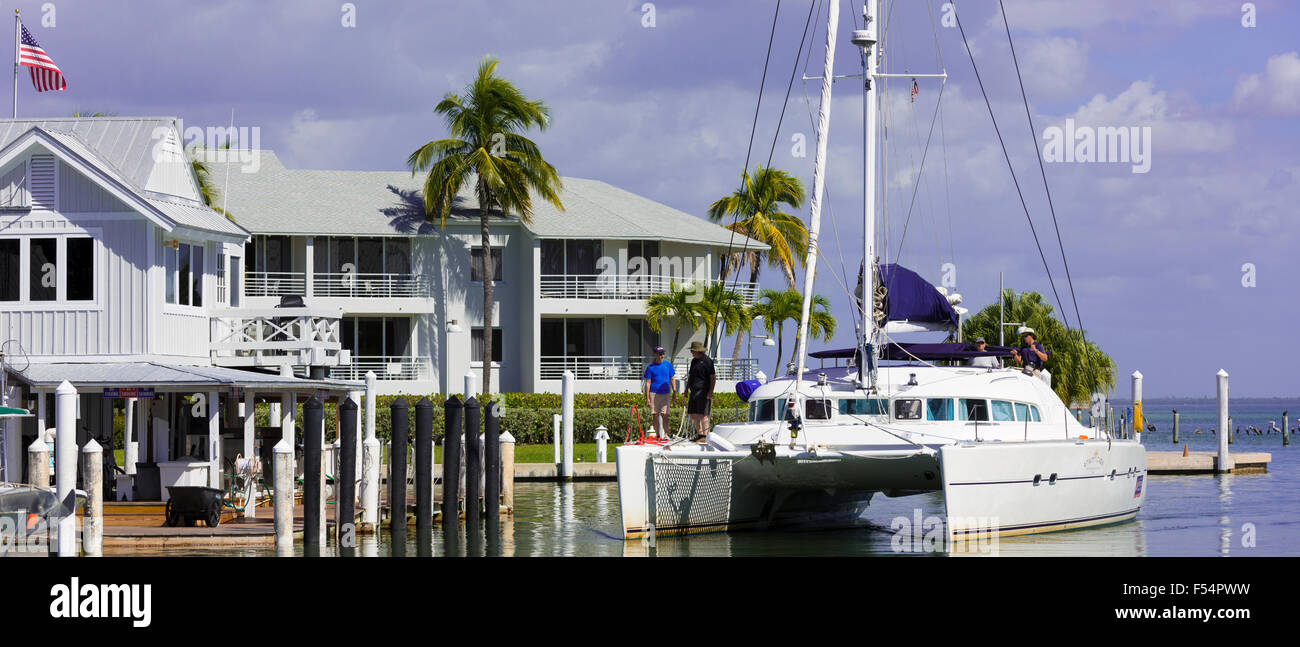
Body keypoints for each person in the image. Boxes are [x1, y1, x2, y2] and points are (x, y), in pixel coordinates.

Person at [685, 340, 716, 443]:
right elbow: (690, 376)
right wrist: (686, 389)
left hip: (704, 391)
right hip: (694, 391)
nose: (691, 353)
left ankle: (705, 436)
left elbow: (712, 377)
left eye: (692, 351)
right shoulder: (694, 361)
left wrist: (710, 392)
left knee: (703, 414)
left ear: (698, 351)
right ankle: (699, 435)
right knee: (694, 414)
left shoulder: (708, 361)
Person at [642, 346, 676, 437]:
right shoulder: (650, 367)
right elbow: (648, 382)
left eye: (663, 354)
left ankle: (665, 434)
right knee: (655, 415)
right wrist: (648, 398)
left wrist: (674, 392)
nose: (662, 356)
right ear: (655, 354)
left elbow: (672, 378)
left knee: (665, 415)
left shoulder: (668, 365)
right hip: (654, 393)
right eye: (660, 354)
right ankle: (657, 435)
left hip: (665, 393)